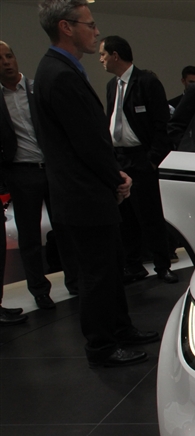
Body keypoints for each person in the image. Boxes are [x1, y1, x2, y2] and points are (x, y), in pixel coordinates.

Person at [33, 0, 158, 368]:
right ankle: (102, 346)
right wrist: (115, 177)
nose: (96, 31)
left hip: (86, 192)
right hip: (83, 194)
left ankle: (120, 329)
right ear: (66, 27)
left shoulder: (58, 70)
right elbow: (86, 141)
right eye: (89, 24)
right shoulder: (60, 75)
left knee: (111, 266)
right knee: (97, 274)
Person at [1, 40, 79, 309]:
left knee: (65, 228)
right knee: (29, 237)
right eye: (0, 59)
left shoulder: (37, 89)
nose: (6, 62)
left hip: (52, 167)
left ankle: (75, 281)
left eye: (9, 56)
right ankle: (39, 291)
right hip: (21, 172)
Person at [99, 35, 177, 284]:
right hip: (120, 158)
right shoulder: (112, 86)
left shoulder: (146, 82)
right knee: (126, 217)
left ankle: (162, 265)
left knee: (150, 215)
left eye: (103, 54)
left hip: (142, 157)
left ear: (115, 55)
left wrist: (152, 160)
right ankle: (133, 265)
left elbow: (162, 124)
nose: (100, 59)